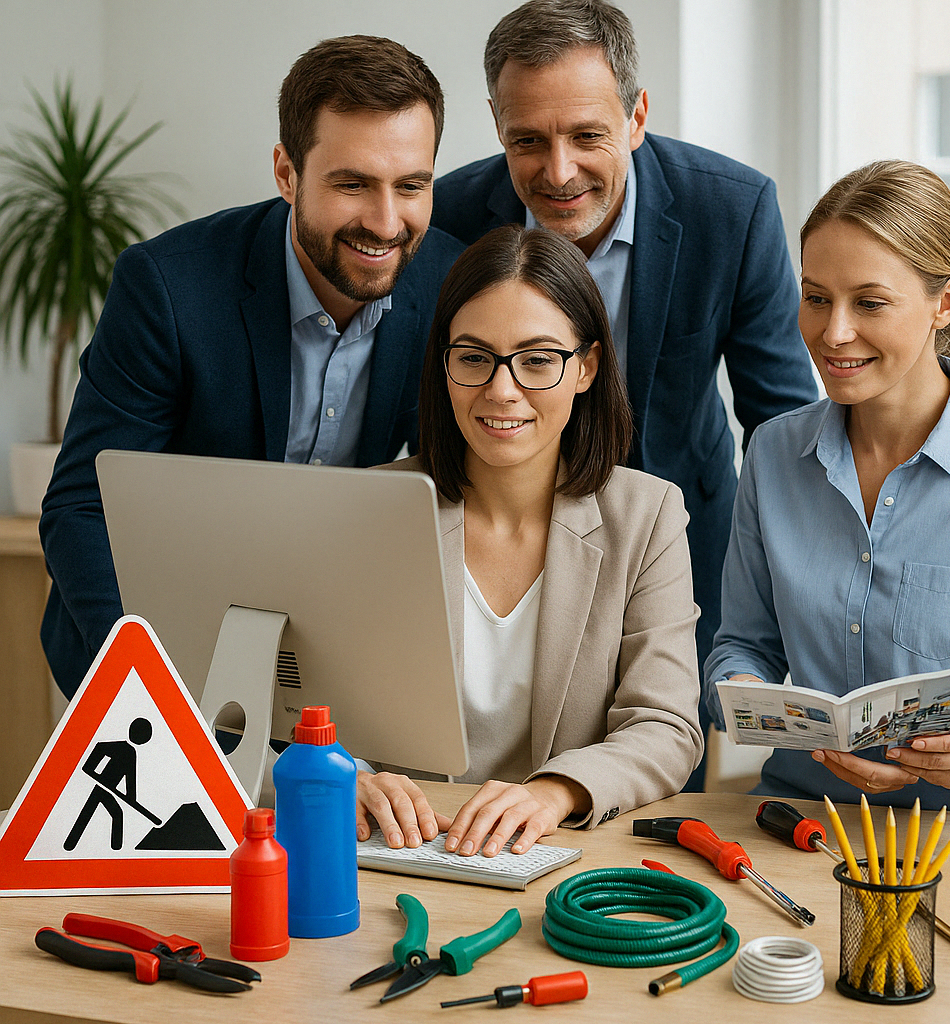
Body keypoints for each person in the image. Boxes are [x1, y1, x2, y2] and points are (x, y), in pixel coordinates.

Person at [431, 0, 818, 788]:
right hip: (499, 539)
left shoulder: (731, 210)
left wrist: (786, 623)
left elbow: (778, 419)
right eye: (527, 140)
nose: (558, 171)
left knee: (662, 763)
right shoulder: (448, 216)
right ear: (497, 125)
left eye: (587, 136)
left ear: (637, 116)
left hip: (674, 542)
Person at [40, 36, 464, 697]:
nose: (386, 223)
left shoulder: (452, 288)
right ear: (286, 173)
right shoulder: (167, 289)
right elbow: (81, 506)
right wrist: (152, 684)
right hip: (147, 646)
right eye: (352, 184)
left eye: (411, 186)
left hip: (328, 656)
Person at [360, 224, 703, 854]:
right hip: (396, 852)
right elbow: (291, 714)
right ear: (444, 365)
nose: (501, 389)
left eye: (538, 359)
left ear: (587, 368)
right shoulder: (371, 509)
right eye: (473, 357)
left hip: (558, 856)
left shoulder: (648, 514)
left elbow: (667, 726)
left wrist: (555, 791)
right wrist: (342, 776)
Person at [705, 160, 950, 814]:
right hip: (801, 821)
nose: (833, 332)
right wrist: (743, 692)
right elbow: (742, 645)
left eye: (869, 303)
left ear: (946, 302)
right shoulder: (774, 453)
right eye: (816, 297)